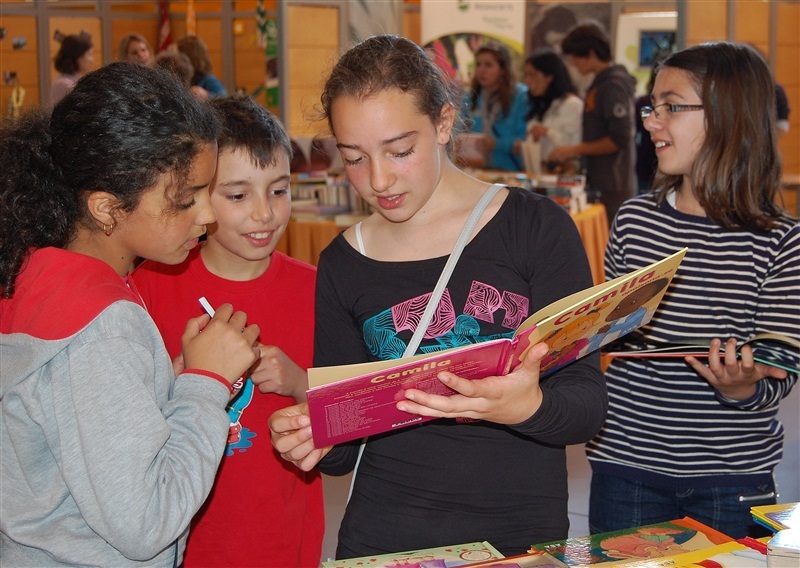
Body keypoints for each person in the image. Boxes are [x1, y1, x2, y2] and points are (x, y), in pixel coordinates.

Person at [268, 34, 607, 558]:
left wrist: (528, 406)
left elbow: (587, 406)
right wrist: (313, 433)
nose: (378, 180)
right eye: (354, 158)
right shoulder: (343, 261)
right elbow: (341, 450)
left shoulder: (535, 228)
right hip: (385, 536)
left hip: (516, 538)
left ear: (444, 124)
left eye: (400, 151)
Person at [0, 62, 261, 566]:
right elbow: (147, 521)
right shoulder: (101, 328)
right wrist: (206, 383)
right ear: (106, 208)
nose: (207, 215)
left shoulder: (36, 273)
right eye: (186, 200)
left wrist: (171, 387)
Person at [586, 42, 800, 539]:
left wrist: (742, 385)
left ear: (728, 115)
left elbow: (781, 362)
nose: (651, 122)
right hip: (626, 464)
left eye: (671, 106)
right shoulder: (635, 221)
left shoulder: (780, 241)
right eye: (651, 106)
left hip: (731, 477)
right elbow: (609, 336)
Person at [132, 94, 324, 567]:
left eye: (278, 190)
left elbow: (354, 409)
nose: (264, 213)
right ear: (197, 196)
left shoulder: (316, 288)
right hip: (182, 540)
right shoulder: (150, 285)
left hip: (284, 536)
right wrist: (179, 379)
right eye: (238, 196)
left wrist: (300, 381)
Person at [551, 22, 637, 224]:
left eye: (574, 56)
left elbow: (619, 138)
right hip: (603, 182)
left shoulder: (612, 86)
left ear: (590, 53)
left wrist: (574, 150)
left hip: (613, 185)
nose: (571, 63)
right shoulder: (601, 83)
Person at [461, 42, 530, 171]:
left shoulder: (521, 96)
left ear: (503, 69)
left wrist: (496, 144)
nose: (482, 70)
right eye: (478, 64)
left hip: (510, 172)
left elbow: (524, 141)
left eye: (488, 65)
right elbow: (459, 132)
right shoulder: (469, 97)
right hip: (474, 171)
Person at [522, 47, 584, 174]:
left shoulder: (572, 105)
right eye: (526, 75)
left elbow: (574, 145)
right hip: (540, 173)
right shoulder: (538, 105)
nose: (527, 81)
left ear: (549, 76)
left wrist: (547, 132)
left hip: (564, 174)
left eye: (532, 75)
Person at [51, 33, 94, 105]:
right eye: (89, 54)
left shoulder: (78, 79)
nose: (92, 60)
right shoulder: (64, 85)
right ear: (78, 56)